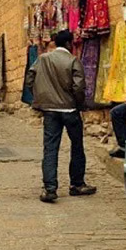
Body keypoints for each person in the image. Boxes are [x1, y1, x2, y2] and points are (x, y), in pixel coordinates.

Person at [25, 30, 97, 203]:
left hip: (50, 111)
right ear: (68, 43)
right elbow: (78, 87)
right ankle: (77, 184)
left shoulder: (42, 59)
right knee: (77, 146)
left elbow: (29, 80)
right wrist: (80, 104)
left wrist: (40, 97)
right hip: (70, 110)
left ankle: (50, 188)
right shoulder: (73, 61)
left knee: (50, 148)